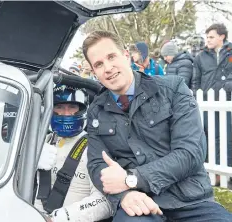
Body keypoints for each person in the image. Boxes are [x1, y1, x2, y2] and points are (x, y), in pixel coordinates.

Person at [82, 30, 232, 221]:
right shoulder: (96, 110)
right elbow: (97, 164)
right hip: (139, 203)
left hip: (190, 201)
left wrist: (131, 179)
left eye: (111, 56)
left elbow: (191, 152)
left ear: (126, 56)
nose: (108, 68)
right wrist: (123, 195)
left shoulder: (173, 89)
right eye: (99, 64)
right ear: (94, 72)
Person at [34, 85, 112, 222]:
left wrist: (61, 218)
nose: (66, 114)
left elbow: (105, 202)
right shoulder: (41, 141)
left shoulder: (95, 147)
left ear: (82, 110)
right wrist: (30, 161)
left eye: (72, 107)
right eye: (59, 107)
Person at [192, 23, 232, 168]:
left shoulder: (230, 53)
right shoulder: (200, 57)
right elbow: (195, 81)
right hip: (206, 105)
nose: (207, 40)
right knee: (209, 137)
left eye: (211, 37)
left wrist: (226, 86)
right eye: (207, 37)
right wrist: (196, 99)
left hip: (227, 102)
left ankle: (227, 168)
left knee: (227, 136)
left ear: (222, 37)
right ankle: (211, 168)